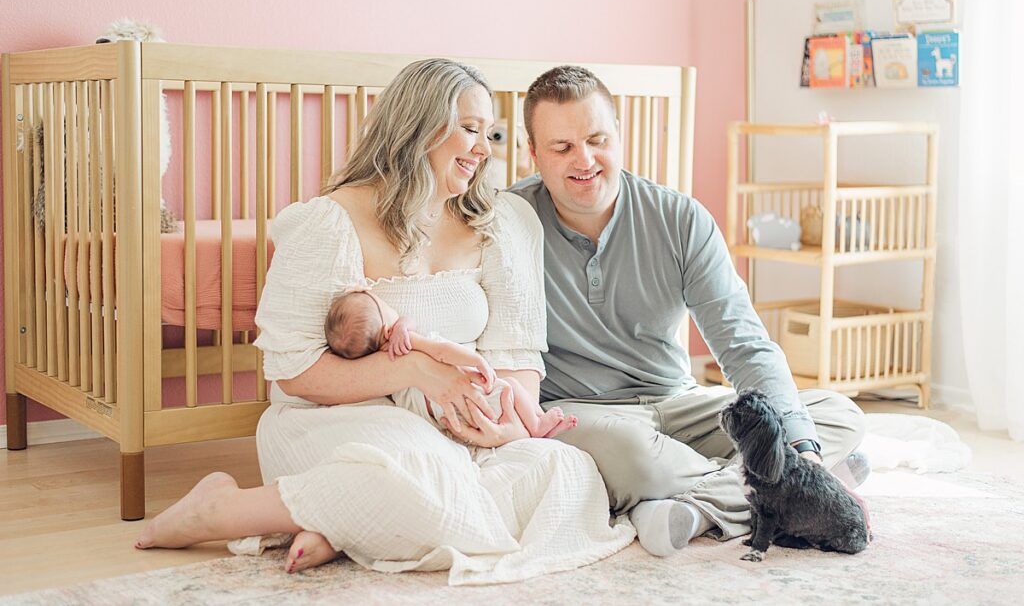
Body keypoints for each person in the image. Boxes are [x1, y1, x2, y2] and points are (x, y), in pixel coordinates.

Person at [134, 59, 633, 583]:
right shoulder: (331, 221)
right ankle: (219, 509)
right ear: (417, 126)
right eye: (469, 129)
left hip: (454, 430)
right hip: (339, 420)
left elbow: (516, 354)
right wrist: (418, 371)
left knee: (566, 474)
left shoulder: (505, 224)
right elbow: (295, 373)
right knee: (407, 479)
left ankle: (332, 522)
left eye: (490, 133)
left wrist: (504, 423)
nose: (485, 149)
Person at [509, 65, 867, 558]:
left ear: (619, 136)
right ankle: (781, 494)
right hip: (587, 414)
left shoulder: (680, 218)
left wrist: (803, 450)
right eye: (562, 146)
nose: (585, 159)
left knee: (834, 415)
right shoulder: (507, 224)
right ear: (533, 153)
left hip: (678, 403)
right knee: (638, 459)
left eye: (597, 139)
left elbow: (742, 343)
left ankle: (698, 510)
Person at [323, 288, 577, 437]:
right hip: (463, 395)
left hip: (442, 416)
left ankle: (541, 426)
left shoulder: (380, 364)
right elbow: (443, 352)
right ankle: (537, 424)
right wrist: (476, 360)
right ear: (387, 327)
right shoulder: (405, 342)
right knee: (510, 387)